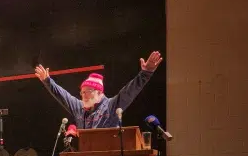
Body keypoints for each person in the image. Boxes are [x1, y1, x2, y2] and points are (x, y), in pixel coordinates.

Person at [34, 51, 164, 129]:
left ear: (99, 92)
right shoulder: (79, 108)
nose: (83, 95)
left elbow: (130, 91)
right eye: (82, 92)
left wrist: (146, 73)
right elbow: (62, 95)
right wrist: (47, 81)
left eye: (88, 91)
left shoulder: (111, 106)